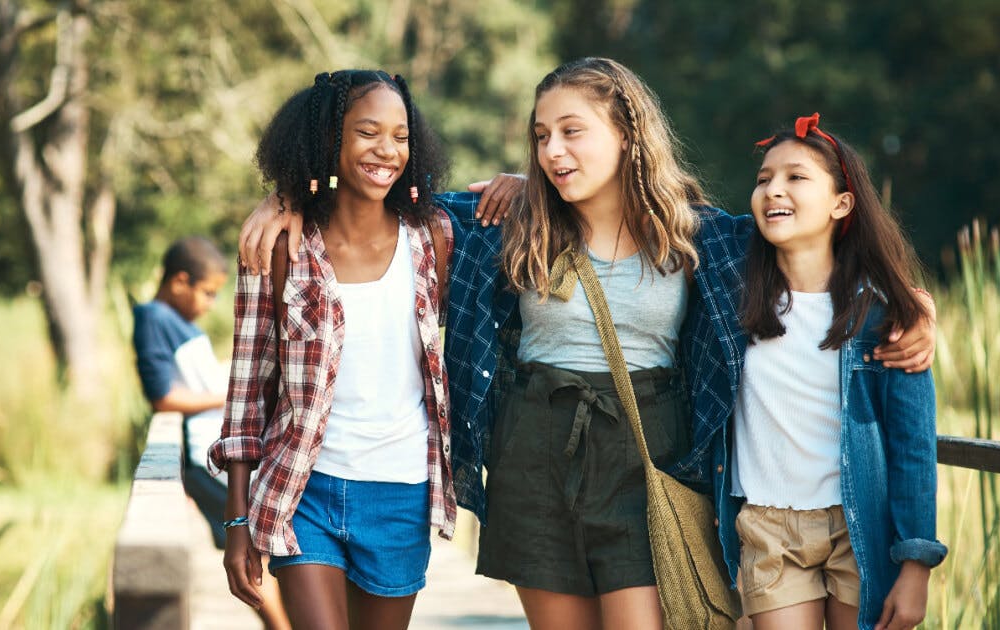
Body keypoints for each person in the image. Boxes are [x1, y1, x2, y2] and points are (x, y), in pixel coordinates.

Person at [235, 58, 938, 630]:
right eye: (541, 136)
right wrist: (289, 196)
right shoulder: (507, 223)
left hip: (645, 453)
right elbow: (378, 204)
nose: (553, 151)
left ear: (627, 131)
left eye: (572, 131)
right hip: (533, 453)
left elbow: (807, 237)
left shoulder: (700, 236)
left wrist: (911, 305)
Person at [208, 69, 457, 630]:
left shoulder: (434, 238)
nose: (387, 151)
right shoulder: (279, 246)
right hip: (304, 488)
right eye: (368, 132)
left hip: (401, 492)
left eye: (401, 136)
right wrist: (236, 522)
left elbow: (519, 209)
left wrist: (514, 180)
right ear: (329, 140)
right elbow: (246, 394)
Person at [714, 114, 945, 630]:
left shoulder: (885, 317)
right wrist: (527, 186)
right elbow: (652, 212)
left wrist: (916, 566)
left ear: (842, 203)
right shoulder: (729, 298)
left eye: (796, 177)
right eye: (763, 179)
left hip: (861, 524)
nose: (774, 189)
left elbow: (913, 447)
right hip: (768, 526)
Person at [131, 236, 289, 630]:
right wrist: (226, 396)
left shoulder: (180, 324)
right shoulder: (153, 318)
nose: (210, 303)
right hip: (204, 458)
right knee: (255, 555)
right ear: (179, 281)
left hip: (219, 452)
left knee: (264, 551)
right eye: (207, 293)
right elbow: (163, 396)